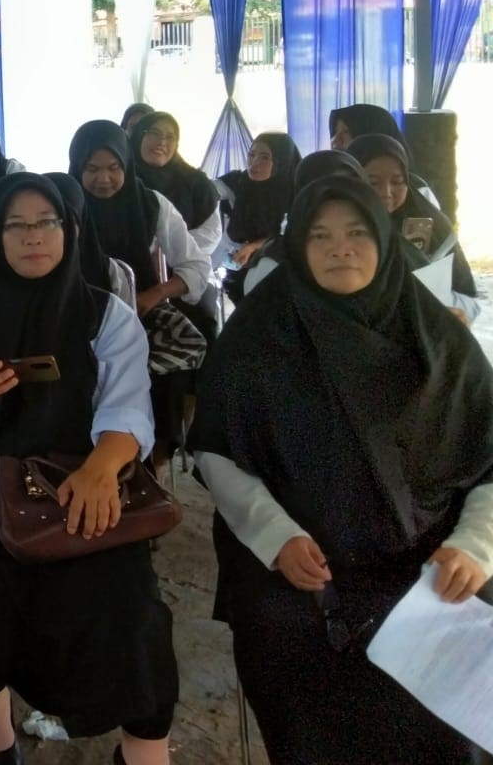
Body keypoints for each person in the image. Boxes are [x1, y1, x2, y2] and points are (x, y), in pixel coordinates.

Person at [192, 175, 493, 765]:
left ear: (383, 239)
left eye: (357, 233)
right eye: (321, 236)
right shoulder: (259, 336)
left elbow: (488, 460)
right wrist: (276, 537)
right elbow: (218, 450)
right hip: (306, 578)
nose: (340, 249)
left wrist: (474, 546)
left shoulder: (439, 343)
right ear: (298, 246)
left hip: (429, 576)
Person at [0, 174, 175, 765]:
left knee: (133, 617)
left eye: (46, 223)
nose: (34, 237)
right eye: (16, 226)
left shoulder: (104, 314)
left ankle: (144, 753)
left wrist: (103, 467)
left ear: (68, 230)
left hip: (83, 478)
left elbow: (129, 407)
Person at [69, 120, 212, 463]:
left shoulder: (151, 204)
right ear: (77, 166)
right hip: (74, 316)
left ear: (127, 163)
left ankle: (155, 459)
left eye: (114, 168)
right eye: (92, 169)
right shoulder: (63, 202)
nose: (104, 179)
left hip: (138, 314)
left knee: (170, 369)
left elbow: (196, 267)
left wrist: (155, 294)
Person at [349, 134, 481, 323]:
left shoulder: (435, 229)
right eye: (373, 183)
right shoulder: (336, 230)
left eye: (397, 181)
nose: (386, 193)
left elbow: (468, 297)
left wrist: (455, 314)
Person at [238, 150, 366, 298]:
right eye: (326, 191)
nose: (341, 200)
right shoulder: (275, 267)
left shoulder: (377, 248)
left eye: (351, 188)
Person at [215, 134, 301, 300]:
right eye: (251, 155)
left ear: (281, 162)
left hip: (278, 275)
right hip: (236, 270)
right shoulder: (239, 183)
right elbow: (207, 190)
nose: (254, 163)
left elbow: (288, 234)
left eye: (264, 157)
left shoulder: (296, 193)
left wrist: (253, 247)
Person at [128, 111, 223, 259]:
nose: (162, 142)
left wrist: (163, 252)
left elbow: (211, 234)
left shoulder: (196, 182)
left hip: (184, 267)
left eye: (170, 137)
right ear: (139, 136)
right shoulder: (120, 180)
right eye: (154, 133)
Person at [45, 171, 138, 309]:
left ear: (81, 222)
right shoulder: (19, 268)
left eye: (66, 222)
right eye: (45, 223)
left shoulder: (111, 273)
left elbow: (127, 321)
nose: (57, 232)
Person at [328, 103, 441, 204]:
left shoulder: (420, 193)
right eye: (334, 132)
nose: (335, 140)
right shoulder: (332, 187)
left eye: (346, 132)